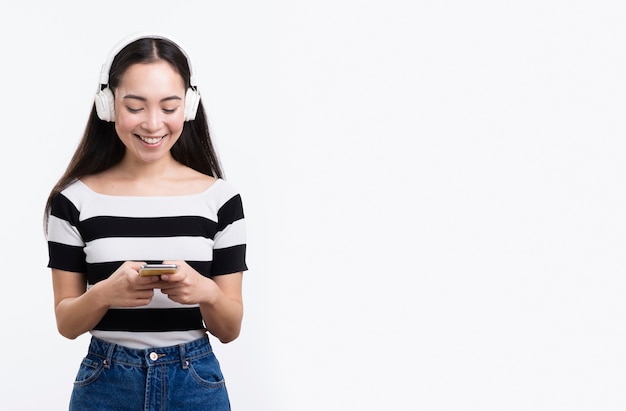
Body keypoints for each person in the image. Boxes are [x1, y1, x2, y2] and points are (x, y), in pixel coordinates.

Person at [43, 32, 248, 411]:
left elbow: (230, 328)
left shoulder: (220, 200)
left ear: (188, 107)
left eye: (169, 108)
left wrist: (204, 292)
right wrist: (104, 294)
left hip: (196, 383)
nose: (153, 124)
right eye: (135, 106)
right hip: (105, 383)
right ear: (107, 105)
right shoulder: (73, 201)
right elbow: (67, 323)